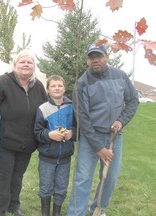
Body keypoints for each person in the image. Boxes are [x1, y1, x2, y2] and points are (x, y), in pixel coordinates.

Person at [67, 43, 139, 216]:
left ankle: (98, 209)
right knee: (83, 178)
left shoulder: (120, 76)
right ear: (87, 61)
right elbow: (82, 119)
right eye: (91, 57)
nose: (95, 60)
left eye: (99, 56)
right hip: (90, 137)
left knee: (110, 178)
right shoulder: (82, 83)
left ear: (107, 57)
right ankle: (76, 213)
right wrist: (98, 148)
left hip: (114, 136)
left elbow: (133, 100)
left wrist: (121, 121)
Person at [0, 49, 48, 216]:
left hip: (27, 143)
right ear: (14, 64)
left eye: (30, 62)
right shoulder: (2, 82)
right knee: (2, 178)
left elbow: (44, 111)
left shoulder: (38, 86)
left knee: (17, 177)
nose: (26, 65)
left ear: (34, 67)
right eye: (22, 61)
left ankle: (14, 206)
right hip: (4, 142)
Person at [34, 75, 76, 216]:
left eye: (59, 85)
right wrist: (48, 135)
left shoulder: (72, 107)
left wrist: (72, 133)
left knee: (61, 187)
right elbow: (37, 132)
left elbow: (79, 128)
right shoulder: (42, 109)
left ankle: (56, 213)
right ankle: (45, 213)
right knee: (45, 187)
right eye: (53, 86)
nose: (57, 88)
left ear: (64, 88)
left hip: (65, 158)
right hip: (47, 157)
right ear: (47, 90)